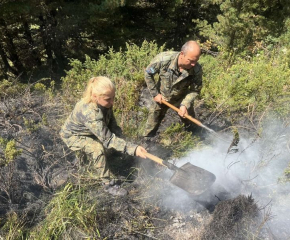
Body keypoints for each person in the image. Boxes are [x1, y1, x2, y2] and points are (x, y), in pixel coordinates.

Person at [60, 76, 147, 196]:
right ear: (95, 96)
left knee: (113, 140)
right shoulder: (90, 112)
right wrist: (133, 148)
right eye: (108, 99)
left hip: (89, 132)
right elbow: (108, 139)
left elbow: (113, 126)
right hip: (72, 136)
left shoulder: (104, 104)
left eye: (113, 98)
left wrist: (123, 145)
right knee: (97, 148)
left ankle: (92, 158)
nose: (112, 102)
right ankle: (107, 184)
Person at [143, 40, 202, 139]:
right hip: (161, 97)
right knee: (151, 126)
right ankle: (146, 144)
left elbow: (195, 90)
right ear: (182, 54)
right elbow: (148, 74)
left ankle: (195, 141)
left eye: (196, 61)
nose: (193, 64)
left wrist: (185, 104)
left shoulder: (196, 69)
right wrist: (155, 94)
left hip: (181, 98)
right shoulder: (163, 60)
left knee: (191, 124)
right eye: (190, 60)